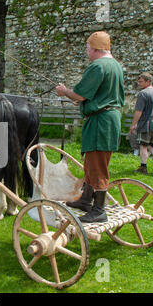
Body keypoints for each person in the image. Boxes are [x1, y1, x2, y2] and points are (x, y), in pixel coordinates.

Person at [55, 31, 125, 223]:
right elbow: (99, 94)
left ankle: (99, 210)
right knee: (91, 163)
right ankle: (86, 200)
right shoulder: (115, 65)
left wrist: (64, 91)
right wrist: (85, 101)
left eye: (87, 47)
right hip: (106, 117)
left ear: (96, 48)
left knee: (97, 166)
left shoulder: (98, 66)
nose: (86, 51)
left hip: (100, 121)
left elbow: (79, 94)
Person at [130, 72, 153, 174]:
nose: (139, 84)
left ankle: (143, 167)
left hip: (146, 124)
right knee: (151, 144)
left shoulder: (143, 94)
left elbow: (138, 111)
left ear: (148, 81)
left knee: (143, 145)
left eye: (141, 81)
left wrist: (133, 125)